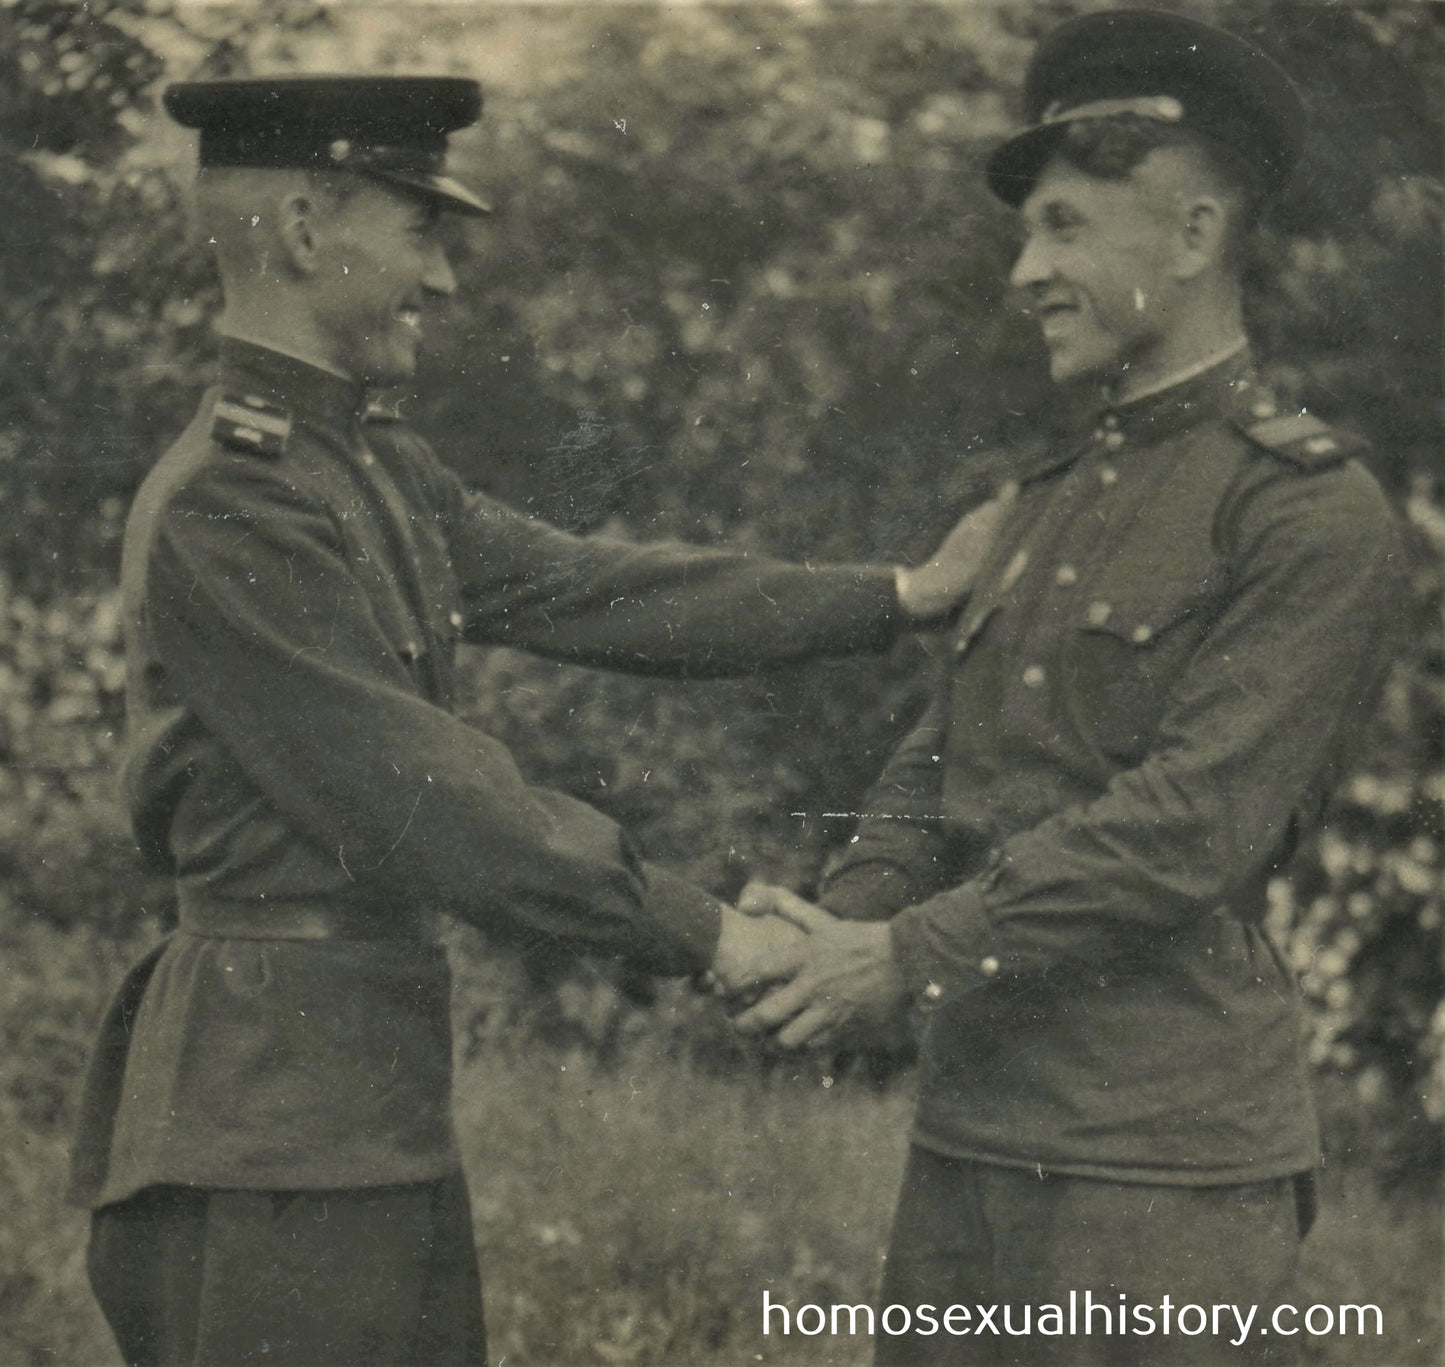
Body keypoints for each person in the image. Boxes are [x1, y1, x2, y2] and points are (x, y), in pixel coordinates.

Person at [66, 75, 1013, 1367]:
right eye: (422, 235)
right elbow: (430, 799)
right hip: (261, 1131)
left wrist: (900, 596)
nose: (445, 282)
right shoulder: (232, 503)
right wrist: (711, 935)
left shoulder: (368, 465)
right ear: (299, 229)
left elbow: (597, 589)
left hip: (354, 1112)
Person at [737, 10, 1406, 1365]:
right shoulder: (1041, 501)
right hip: (973, 1130)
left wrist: (901, 957)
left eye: (1061, 229)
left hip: (1154, 1169)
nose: (1022, 272)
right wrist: (844, 921)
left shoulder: (1308, 514)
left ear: (1193, 232)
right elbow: (943, 754)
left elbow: (1185, 830)